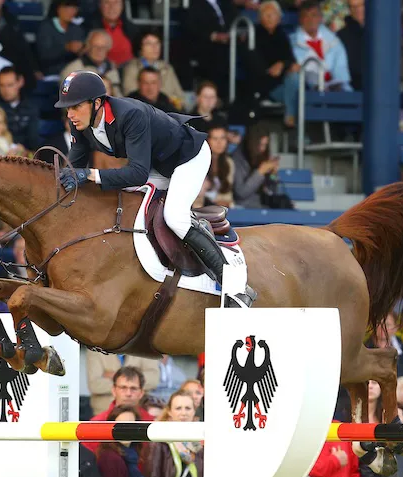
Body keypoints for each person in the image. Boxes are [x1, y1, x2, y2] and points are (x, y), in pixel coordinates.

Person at [54, 69, 256, 308]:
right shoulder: (79, 122)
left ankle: (235, 286)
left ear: (97, 102)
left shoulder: (131, 115)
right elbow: (72, 168)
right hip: (157, 165)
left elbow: (137, 173)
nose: (70, 114)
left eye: (75, 106)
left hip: (187, 158)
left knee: (175, 218)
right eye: (68, 108)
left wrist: (89, 174)